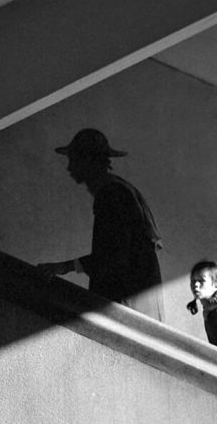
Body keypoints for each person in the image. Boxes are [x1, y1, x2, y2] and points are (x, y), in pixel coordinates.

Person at [37, 128, 164, 320]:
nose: (69, 168)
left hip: (130, 302)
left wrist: (65, 266)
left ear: (89, 160)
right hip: (137, 300)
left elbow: (113, 256)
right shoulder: (118, 190)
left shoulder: (111, 194)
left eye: (73, 160)